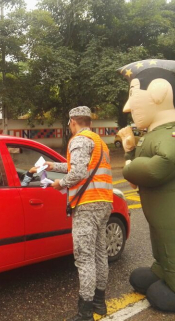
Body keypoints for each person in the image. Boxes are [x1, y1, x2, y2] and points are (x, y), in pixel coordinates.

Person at [117, 59, 175, 312]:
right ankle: (162, 270)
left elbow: (155, 169)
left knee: (174, 240)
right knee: (160, 239)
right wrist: (130, 150)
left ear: (159, 91)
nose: (127, 107)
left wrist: (129, 167)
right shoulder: (155, 134)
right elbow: (137, 174)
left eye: (133, 95)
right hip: (158, 213)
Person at [44, 106, 113, 321]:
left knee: (84, 259)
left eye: (68, 122)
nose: (68, 126)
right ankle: (99, 304)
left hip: (87, 204)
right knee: (100, 254)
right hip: (104, 202)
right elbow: (81, 165)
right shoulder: (99, 141)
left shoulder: (79, 140)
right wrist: (52, 165)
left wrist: (59, 183)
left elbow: (79, 172)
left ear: (73, 121)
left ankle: (84, 313)